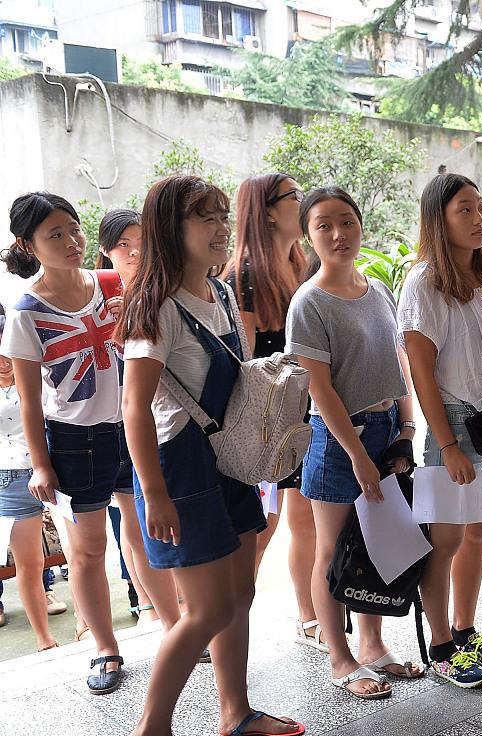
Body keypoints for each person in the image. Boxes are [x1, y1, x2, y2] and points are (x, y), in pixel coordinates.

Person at [120, 175, 303, 736]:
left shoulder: (221, 292)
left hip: (229, 458)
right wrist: (154, 495)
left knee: (240, 595)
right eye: (205, 217)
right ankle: (152, 727)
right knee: (207, 610)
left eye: (223, 215)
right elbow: (133, 407)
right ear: (169, 229)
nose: (221, 228)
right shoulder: (157, 308)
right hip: (180, 468)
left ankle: (235, 713)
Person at [286, 186, 423, 700]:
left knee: (374, 542)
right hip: (338, 440)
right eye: (323, 225)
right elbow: (319, 389)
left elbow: (397, 363)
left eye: (346, 221)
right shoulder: (309, 302)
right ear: (308, 237)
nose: (338, 234)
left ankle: (373, 645)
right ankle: (340, 658)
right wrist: (359, 457)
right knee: (333, 550)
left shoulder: (377, 288)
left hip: (386, 430)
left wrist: (406, 429)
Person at [0, 192, 126, 694]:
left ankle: (176, 625)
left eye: (74, 229)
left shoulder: (111, 283)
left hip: (135, 426)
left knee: (152, 533)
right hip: (76, 440)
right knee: (89, 550)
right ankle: (105, 648)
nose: (73, 241)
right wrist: (41, 464)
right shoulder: (26, 311)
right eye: (56, 234)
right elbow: (30, 402)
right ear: (27, 245)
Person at [399, 173, 482, 689]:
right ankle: (441, 645)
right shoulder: (424, 282)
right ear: (438, 219)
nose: (478, 219)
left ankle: (466, 631)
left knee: (478, 534)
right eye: (464, 209)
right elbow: (421, 373)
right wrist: (446, 443)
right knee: (444, 540)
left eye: (480, 208)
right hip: (454, 423)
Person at [223, 173, 321, 650]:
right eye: (294, 197)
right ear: (265, 211)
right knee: (261, 528)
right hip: (264, 421)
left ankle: (309, 617)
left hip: (304, 413)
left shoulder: (302, 265)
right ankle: (222, 622)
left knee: (305, 520)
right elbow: (241, 362)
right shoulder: (243, 275)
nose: (302, 203)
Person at [96, 208, 184, 631]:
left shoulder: (162, 293)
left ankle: (177, 610)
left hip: (162, 423)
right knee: (133, 523)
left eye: (140, 242)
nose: (134, 252)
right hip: (116, 422)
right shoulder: (97, 297)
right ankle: (163, 614)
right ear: (106, 251)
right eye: (123, 245)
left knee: (160, 520)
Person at [0, 303, 60, 651]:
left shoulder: (37, 375)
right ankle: (44, 639)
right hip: (10, 476)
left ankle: (85, 626)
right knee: (30, 563)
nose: (4, 362)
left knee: (81, 551)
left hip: (57, 467)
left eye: (7, 352)